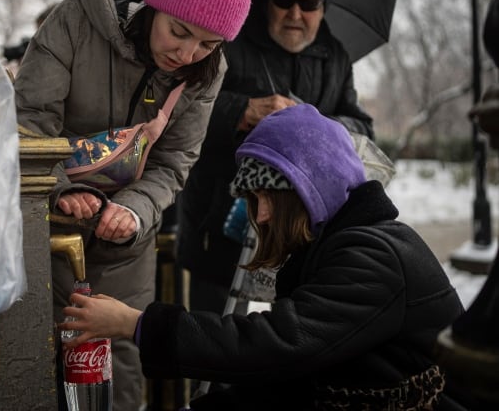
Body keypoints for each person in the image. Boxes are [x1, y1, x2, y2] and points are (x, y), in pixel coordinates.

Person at [59, 103, 467, 410]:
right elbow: (287, 375)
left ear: (315, 186)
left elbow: (274, 347)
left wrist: (139, 324)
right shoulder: (336, 246)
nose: (264, 215)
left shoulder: (373, 256)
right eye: (255, 200)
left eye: (272, 197)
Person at [14, 0, 258, 410]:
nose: (186, 53)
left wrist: (136, 209)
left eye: (208, 44)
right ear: (156, 4)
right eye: (179, 31)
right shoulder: (73, 23)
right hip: (43, 221)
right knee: (39, 352)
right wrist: (61, 189)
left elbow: (174, 161)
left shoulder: (206, 71)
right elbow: (27, 124)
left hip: (126, 242)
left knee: (119, 356)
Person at [177, 0, 375, 315]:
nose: (295, 13)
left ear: (324, 8)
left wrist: (319, 126)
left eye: (309, 4)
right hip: (220, 223)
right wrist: (243, 110)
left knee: (289, 341)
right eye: (284, 0)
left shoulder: (336, 56)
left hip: (302, 233)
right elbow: (182, 106)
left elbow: (363, 126)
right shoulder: (225, 38)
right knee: (211, 339)